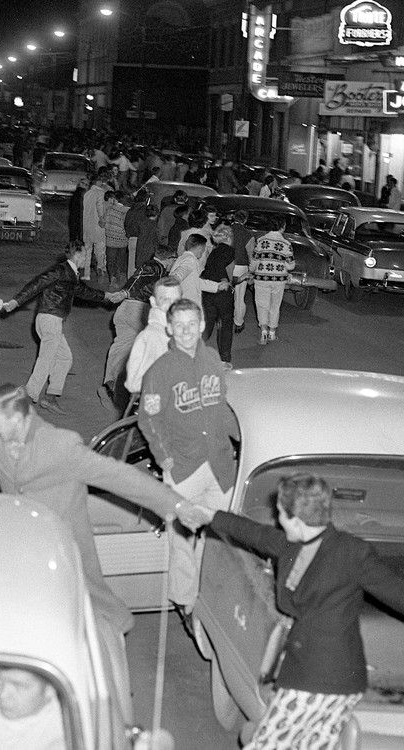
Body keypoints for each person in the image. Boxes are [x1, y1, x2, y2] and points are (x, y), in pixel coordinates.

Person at [0, 383, 187, 634]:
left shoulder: (60, 446)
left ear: (18, 419)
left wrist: (175, 505)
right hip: (22, 539)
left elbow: (122, 478)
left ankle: (113, 636)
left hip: (64, 542)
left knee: (89, 597)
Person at [180, 474, 404, 749]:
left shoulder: (351, 553)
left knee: (266, 744)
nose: (277, 519)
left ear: (297, 520)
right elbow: (256, 534)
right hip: (315, 673)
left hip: (324, 678)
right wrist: (211, 515)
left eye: (281, 515)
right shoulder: (293, 544)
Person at [138, 298, 239, 613]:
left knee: (219, 536)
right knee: (181, 540)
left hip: (220, 464)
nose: (185, 331)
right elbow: (147, 418)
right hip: (184, 467)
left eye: (191, 324)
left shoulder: (212, 358)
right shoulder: (160, 370)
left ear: (202, 325)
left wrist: (236, 440)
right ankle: (184, 601)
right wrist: (163, 456)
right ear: (168, 327)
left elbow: (222, 405)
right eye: (178, 325)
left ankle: (207, 597)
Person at [3, 243, 127, 415]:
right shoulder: (61, 270)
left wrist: (106, 296)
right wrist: (16, 301)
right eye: (84, 255)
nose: (86, 258)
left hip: (53, 320)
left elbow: (82, 291)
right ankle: (24, 395)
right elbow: (37, 283)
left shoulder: (70, 274)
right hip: (49, 319)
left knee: (64, 358)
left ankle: (51, 397)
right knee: (46, 359)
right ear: (76, 254)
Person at [97, 251, 170, 411]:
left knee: (121, 347)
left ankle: (109, 386)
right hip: (138, 310)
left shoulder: (156, 267)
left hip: (123, 310)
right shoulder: (154, 266)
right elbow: (140, 277)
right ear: (169, 259)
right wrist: (125, 292)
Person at [124, 277, 182, 396]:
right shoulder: (151, 336)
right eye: (166, 299)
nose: (172, 305)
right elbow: (133, 383)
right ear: (153, 302)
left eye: (176, 300)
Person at [250, 214, 295, 345]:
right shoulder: (286, 244)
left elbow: (254, 261)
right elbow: (290, 265)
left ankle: (263, 334)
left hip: (261, 278)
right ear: (283, 227)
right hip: (279, 280)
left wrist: (251, 270)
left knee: (262, 305)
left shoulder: (260, 241)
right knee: (275, 306)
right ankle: (272, 333)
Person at [201, 224, 236, 366]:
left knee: (208, 323)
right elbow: (230, 272)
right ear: (229, 237)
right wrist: (232, 282)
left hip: (209, 290)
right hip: (223, 292)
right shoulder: (230, 252)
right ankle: (224, 359)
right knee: (225, 324)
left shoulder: (214, 252)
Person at [169, 234, 226, 309]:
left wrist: (216, 286)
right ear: (200, 248)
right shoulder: (190, 260)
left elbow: (195, 282)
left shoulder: (182, 258)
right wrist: (173, 280)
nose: (203, 252)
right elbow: (179, 273)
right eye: (204, 248)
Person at [81, 171, 111, 281]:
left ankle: (86, 273)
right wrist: (102, 219)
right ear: (98, 182)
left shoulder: (87, 193)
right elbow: (100, 207)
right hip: (98, 227)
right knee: (100, 250)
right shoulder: (101, 193)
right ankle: (101, 269)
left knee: (88, 250)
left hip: (87, 226)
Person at [230, 210, 253, 334]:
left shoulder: (225, 231)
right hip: (241, 267)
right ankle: (238, 323)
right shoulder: (248, 235)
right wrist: (251, 271)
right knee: (239, 297)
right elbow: (250, 255)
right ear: (245, 220)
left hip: (226, 265)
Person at [104, 190, 130, 285]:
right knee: (120, 260)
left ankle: (112, 278)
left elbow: (105, 224)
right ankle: (119, 277)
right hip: (123, 240)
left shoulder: (109, 209)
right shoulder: (128, 211)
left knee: (110, 261)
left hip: (110, 239)